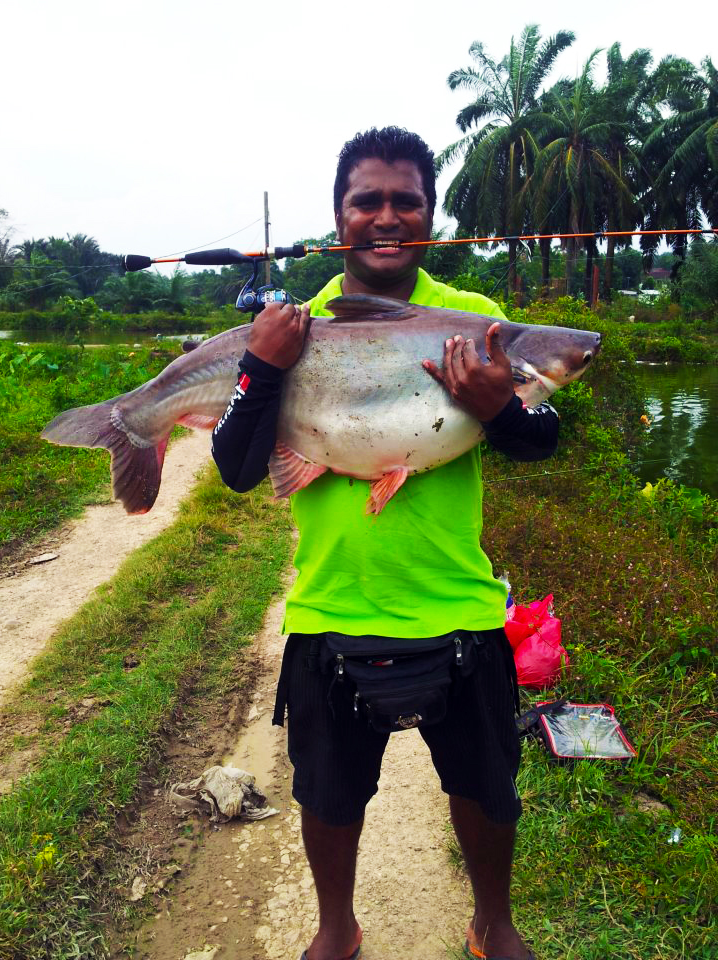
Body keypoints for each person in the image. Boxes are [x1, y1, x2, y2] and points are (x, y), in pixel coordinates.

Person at [212, 127, 557, 960]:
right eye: (368, 200)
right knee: (329, 795)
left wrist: (500, 403)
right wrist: (260, 371)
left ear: (430, 215)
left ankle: (494, 923)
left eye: (407, 200)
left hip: (458, 601)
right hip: (333, 602)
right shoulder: (293, 328)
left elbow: (542, 439)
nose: (387, 216)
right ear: (340, 216)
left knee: (487, 787)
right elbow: (234, 464)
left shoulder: (477, 325)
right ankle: (336, 926)